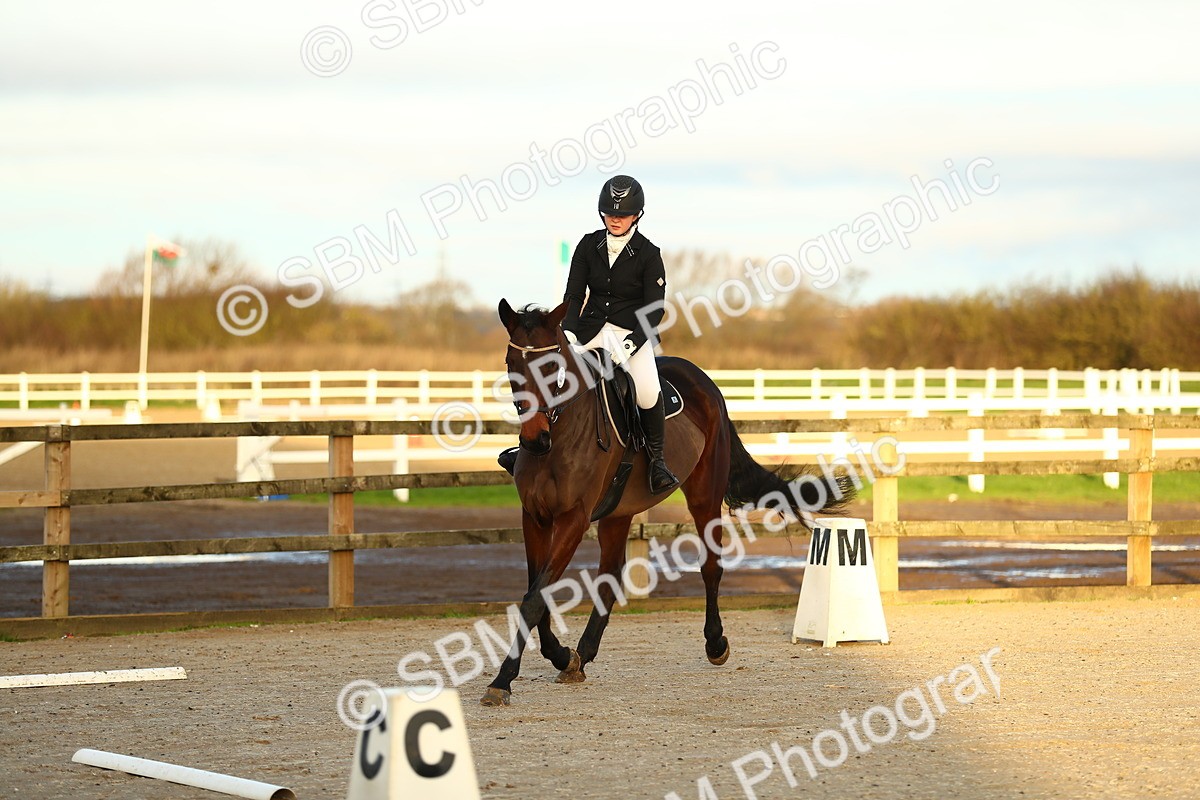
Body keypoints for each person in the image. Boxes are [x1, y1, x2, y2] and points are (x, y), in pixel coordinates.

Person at [499, 174, 680, 495]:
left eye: (622, 215)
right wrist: (565, 335)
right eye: (610, 214)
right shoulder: (587, 246)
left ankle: (657, 461)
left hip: (632, 335)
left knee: (648, 391)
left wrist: (630, 344)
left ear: (637, 215)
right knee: (547, 376)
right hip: (589, 332)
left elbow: (654, 310)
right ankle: (528, 447)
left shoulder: (649, 254)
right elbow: (573, 297)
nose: (615, 220)